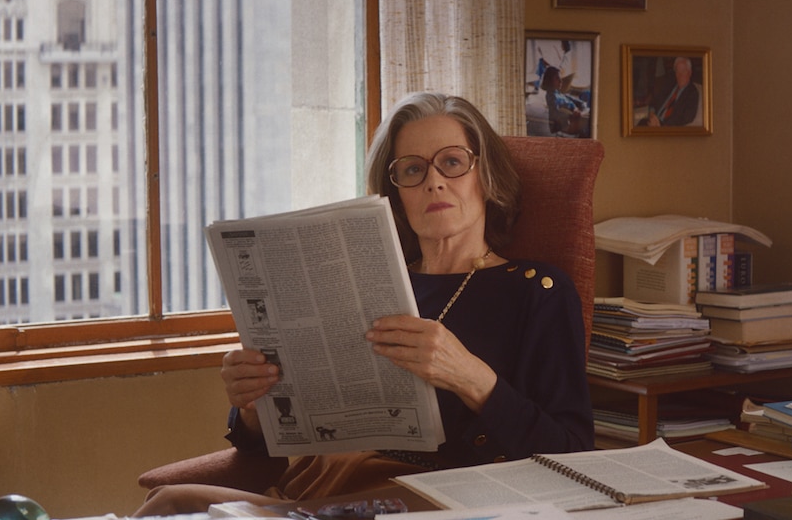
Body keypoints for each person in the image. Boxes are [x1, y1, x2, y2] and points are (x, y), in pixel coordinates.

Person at [134, 92, 594, 515]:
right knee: (171, 501)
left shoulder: (537, 290)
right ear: (396, 191)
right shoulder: (360, 282)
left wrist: (472, 377)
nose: (434, 183)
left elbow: (574, 453)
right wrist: (254, 407)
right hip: (317, 485)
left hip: (429, 497)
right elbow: (262, 451)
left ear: (486, 176)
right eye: (413, 170)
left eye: (452, 162)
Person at [638, 56, 699, 127]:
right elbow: (655, 100)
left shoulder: (692, 93)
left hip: (666, 128)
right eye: (677, 71)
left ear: (689, 72)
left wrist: (660, 125)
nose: (680, 75)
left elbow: (686, 118)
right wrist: (652, 113)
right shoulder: (670, 85)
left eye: (683, 71)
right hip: (652, 121)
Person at [540, 66, 589, 137]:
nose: (561, 81)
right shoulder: (552, 97)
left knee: (586, 95)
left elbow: (577, 102)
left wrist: (577, 108)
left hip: (575, 116)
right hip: (568, 124)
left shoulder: (558, 94)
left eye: (560, 78)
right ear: (550, 80)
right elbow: (554, 113)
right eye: (557, 78)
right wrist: (571, 115)